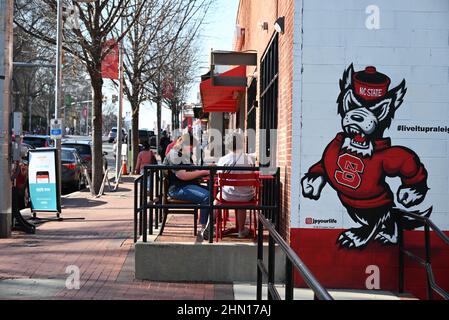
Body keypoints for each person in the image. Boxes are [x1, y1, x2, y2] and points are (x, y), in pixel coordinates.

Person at [164, 133, 211, 239]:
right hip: (178, 188)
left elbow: (191, 170)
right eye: (191, 147)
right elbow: (182, 175)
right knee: (207, 196)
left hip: (187, 185)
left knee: (216, 192)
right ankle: (204, 228)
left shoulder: (183, 155)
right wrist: (202, 172)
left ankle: (210, 224)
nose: (192, 149)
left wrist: (205, 170)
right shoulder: (175, 155)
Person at [216, 130, 255, 238]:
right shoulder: (249, 159)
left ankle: (212, 226)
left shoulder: (223, 160)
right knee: (241, 199)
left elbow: (219, 181)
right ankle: (241, 230)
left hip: (227, 196)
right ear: (241, 143)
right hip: (246, 196)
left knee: (216, 199)